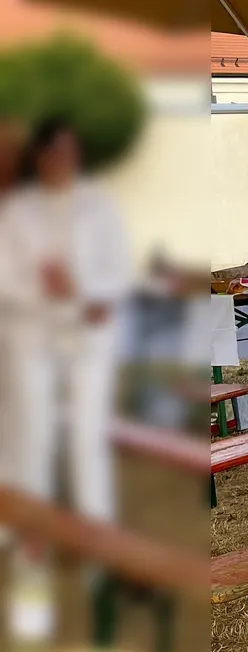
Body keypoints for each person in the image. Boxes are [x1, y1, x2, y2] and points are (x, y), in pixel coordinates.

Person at [0, 119, 131, 524]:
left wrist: (86, 291)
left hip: (89, 338)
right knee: (32, 432)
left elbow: (119, 271)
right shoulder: (19, 211)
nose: (62, 160)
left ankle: (96, 532)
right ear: (40, 157)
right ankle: (29, 529)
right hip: (33, 336)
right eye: (54, 151)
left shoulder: (100, 205)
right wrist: (44, 289)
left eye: (70, 151)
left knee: (87, 436)